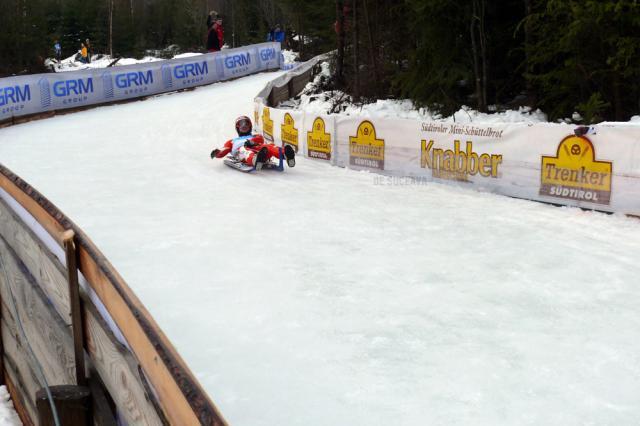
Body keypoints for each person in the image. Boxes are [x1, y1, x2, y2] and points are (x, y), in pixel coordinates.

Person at [210, 116, 295, 170]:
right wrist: (217, 153)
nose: (244, 126)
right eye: (241, 125)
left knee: (269, 146)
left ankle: (285, 154)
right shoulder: (232, 141)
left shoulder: (255, 136)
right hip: (242, 151)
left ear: (250, 126)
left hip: (260, 149)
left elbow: (260, 140)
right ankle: (255, 159)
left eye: (246, 124)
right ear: (237, 127)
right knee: (244, 150)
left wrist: (252, 142)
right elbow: (224, 150)